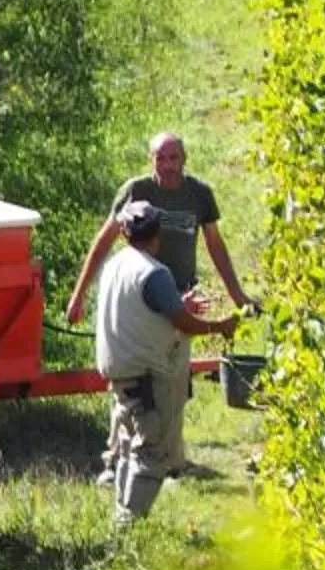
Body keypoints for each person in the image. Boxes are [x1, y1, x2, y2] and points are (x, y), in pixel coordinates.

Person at [62, 133, 254, 470]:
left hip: (179, 297)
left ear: (185, 158)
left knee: (174, 381)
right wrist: (78, 296)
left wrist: (238, 294)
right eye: (160, 159)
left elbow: (215, 245)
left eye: (173, 158)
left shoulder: (199, 195)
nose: (167, 166)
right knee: (134, 378)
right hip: (141, 299)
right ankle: (119, 457)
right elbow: (104, 240)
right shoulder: (137, 192)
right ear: (151, 160)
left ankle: (170, 457)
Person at [92, 201, 239, 525]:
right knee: (152, 454)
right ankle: (129, 526)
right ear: (158, 235)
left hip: (120, 372)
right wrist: (221, 325)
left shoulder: (116, 265)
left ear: (125, 234)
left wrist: (177, 304)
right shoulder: (155, 273)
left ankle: (123, 516)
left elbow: (142, 309)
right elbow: (183, 323)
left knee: (132, 447)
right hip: (147, 375)